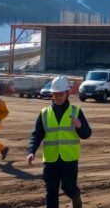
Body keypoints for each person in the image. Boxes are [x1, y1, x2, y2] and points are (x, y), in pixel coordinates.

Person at [27, 76, 91, 208]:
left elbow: (87, 134)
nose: (58, 97)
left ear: (67, 93)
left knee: (68, 187)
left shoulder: (75, 111)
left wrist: (80, 126)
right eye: (55, 94)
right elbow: (37, 134)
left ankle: (76, 196)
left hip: (69, 159)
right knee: (51, 192)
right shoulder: (44, 113)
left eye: (61, 94)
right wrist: (31, 151)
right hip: (50, 160)